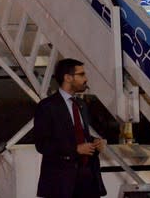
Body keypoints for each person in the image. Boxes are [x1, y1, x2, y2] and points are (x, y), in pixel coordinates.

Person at [34, 58, 107, 198]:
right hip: (61, 184)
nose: (85, 79)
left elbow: (78, 135)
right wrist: (75, 149)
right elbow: (42, 144)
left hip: (87, 180)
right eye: (81, 74)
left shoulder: (81, 105)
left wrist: (94, 142)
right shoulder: (47, 106)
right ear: (68, 78)